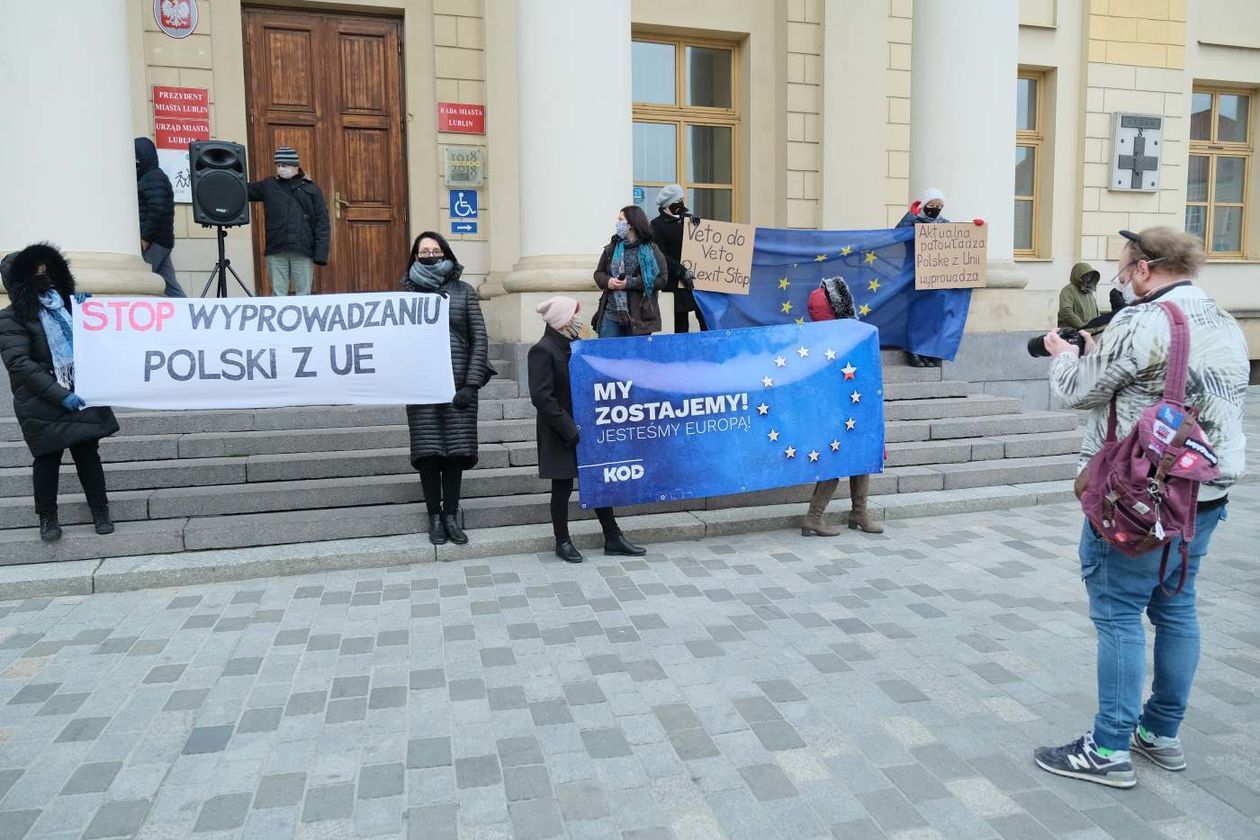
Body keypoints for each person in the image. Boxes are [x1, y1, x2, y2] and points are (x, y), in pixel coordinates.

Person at [1034, 227, 1249, 789]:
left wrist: (1063, 354)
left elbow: (1078, 393)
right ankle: (1160, 733)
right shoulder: (1225, 321)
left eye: (1123, 269)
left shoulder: (1142, 320)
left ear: (1145, 268)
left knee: (1119, 613)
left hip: (1138, 497)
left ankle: (1108, 748)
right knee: (1176, 608)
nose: (1121, 279)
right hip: (1205, 493)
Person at [0, 244, 119, 542]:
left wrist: (91, 315)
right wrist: (59, 394)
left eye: (47, 271)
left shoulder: (68, 305)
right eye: (37, 273)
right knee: (47, 459)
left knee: (87, 454)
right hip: (41, 399)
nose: (45, 279)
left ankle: (100, 510)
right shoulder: (10, 318)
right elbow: (20, 363)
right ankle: (47, 518)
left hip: (79, 391)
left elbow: (99, 345)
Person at [528, 296, 646, 563]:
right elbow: (542, 397)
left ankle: (613, 536)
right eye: (575, 315)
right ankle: (562, 541)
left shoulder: (577, 347)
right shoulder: (542, 350)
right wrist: (568, 429)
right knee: (562, 487)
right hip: (560, 431)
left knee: (598, 481)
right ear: (562, 319)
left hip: (586, 429)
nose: (579, 320)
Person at [402, 232, 492, 546]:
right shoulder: (404, 295)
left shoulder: (463, 292)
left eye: (435, 250)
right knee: (429, 453)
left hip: (458, 384)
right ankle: (434, 518)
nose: (429, 255)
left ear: (446, 254)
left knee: (455, 453)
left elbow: (479, 339)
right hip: (420, 385)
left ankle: (451, 514)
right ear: (414, 256)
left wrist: (470, 383)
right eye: (423, 251)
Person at [800, 277, 884, 536]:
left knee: (862, 456)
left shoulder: (848, 336)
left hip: (855, 407)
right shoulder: (824, 341)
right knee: (834, 460)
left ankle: (859, 513)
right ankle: (814, 517)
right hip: (836, 411)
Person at [896, 188, 982, 368]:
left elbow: (959, 240)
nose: (935, 209)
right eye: (932, 205)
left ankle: (928, 352)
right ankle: (913, 351)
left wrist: (975, 228)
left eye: (939, 206)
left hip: (937, 281)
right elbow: (897, 235)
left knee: (933, 315)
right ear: (925, 205)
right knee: (917, 315)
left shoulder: (945, 224)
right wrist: (910, 216)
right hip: (914, 277)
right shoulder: (914, 221)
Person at [247, 146, 330, 296]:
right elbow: (242, 190)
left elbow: (322, 221)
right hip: (276, 249)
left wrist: (320, 253)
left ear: (295, 166)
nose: (280, 169)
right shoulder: (268, 185)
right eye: (278, 166)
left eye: (284, 165)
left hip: (303, 250)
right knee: (278, 295)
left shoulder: (312, 189)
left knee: (303, 295)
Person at [593, 205, 666, 338]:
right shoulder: (612, 248)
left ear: (631, 224)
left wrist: (631, 282)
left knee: (634, 358)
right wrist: (608, 281)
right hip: (611, 314)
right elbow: (599, 273)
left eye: (620, 220)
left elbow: (662, 280)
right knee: (607, 356)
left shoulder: (651, 250)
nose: (617, 223)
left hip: (639, 317)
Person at [650, 184, 707, 334]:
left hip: (696, 281)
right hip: (676, 282)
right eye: (679, 200)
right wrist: (681, 271)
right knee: (681, 326)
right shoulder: (656, 225)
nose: (681, 203)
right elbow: (661, 255)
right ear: (670, 203)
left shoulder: (688, 220)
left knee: (706, 322)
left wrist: (700, 227)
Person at [134, 137, 184, 298]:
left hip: (155, 242)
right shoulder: (150, 176)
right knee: (170, 287)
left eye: (137, 156)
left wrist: (145, 239)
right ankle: (190, 317)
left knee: (141, 283)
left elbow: (158, 208)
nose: (135, 161)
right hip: (161, 241)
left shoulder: (152, 177)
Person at [1057, 261, 1101, 331]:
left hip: (1091, 333)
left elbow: (1096, 311)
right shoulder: (1068, 290)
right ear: (1078, 275)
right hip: (1075, 333)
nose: (1089, 277)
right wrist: (1083, 327)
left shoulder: (1089, 291)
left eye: (1090, 275)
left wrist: (1098, 326)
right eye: (1086, 275)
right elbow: (1066, 311)